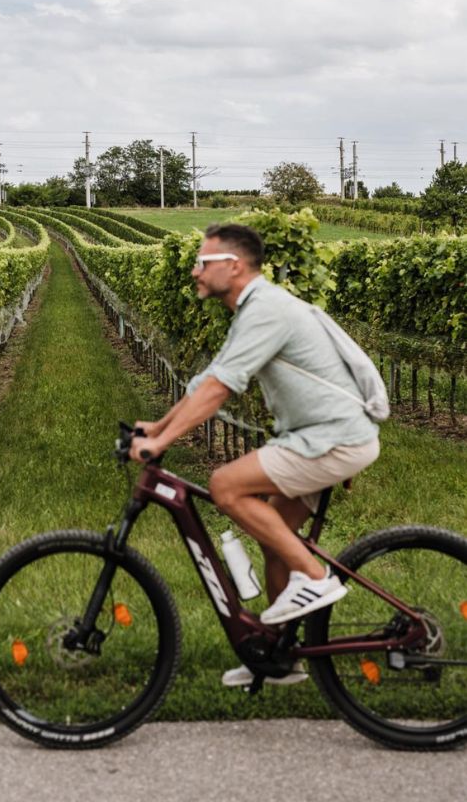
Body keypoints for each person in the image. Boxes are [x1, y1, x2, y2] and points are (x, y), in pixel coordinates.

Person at [126, 223, 381, 687]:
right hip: (320, 437)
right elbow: (208, 380)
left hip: (330, 438)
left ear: (234, 266)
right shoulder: (253, 310)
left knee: (225, 485)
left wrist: (161, 445)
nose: (193, 271)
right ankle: (278, 654)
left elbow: (220, 390)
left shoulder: (265, 310)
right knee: (273, 534)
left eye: (202, 263)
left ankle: (315, 578)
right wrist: (157, 427)